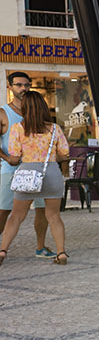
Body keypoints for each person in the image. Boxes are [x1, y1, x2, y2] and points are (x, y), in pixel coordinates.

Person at [0, 90, 70, 266]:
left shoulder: (18, 128)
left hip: (28, 173)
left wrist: (9, 159)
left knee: (16, 215)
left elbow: (15, 158)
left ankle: (2, 250)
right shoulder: (55, 128)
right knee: (53, 215)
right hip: (52, 172)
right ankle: (61, 253)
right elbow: (64, 154)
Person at [1, 72, 54, 258]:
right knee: (4, 211)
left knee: (42, 209)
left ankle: (40, 247)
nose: (23, 88)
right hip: (11, 170)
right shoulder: (3, 113)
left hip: (38, 171)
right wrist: (7, 159)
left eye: (26, 85)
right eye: (18, 85)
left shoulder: (36, 112)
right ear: (10, 87)